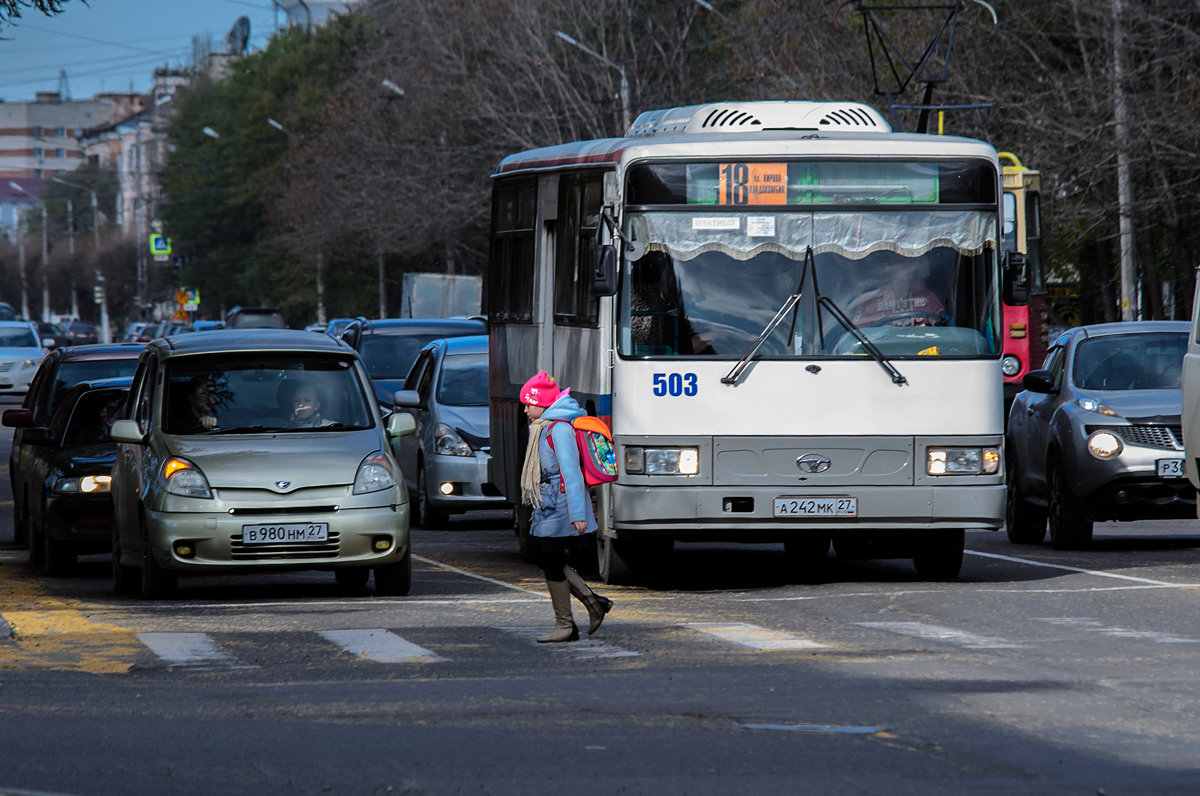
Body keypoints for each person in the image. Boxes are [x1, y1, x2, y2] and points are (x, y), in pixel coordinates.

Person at [519, 370, 614, 642]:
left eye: (529, 403)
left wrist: (578, 515)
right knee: (547, 557)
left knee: (549, 558)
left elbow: (571, 474)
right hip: (548, 504)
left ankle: (567, 624)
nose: (525, 409)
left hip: (560, 504)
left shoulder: (558, 428)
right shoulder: (543, 427)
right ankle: (593, 604)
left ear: (543, 403)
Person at [850, 257, 946, 327]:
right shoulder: (870, 300)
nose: (908, 270)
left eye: (911, 264)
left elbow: (942, 330)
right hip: (880, 352)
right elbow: (858, 336)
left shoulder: (928, 298)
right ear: (888, 267)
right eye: (902, 265)